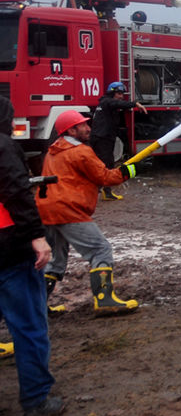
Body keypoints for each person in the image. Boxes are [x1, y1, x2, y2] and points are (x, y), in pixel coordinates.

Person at [0, 96, 65, 416]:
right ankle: (36, 403)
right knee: (28, 327)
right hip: (9, 251)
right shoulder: (3, 147)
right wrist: (37, 237)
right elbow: (16, 193)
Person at [38, 111, 139, 316]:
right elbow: (104, 177)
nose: (88, 128)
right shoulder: (80, 152)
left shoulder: (53, 151)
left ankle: (37, 307)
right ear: (71, 130)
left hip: (47, 211)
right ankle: (105, 300)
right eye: (83, 125)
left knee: (55, 261)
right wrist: (127, 171)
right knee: (100, 250)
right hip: (69, 210)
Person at [90, 81, 146, 201]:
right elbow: (117, 103)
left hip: (101, 138)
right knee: (108, 165)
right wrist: (135, 104)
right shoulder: (107, 102)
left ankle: (99, 190)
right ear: (112, 93)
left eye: (122, 94)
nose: (121, 96)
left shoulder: (104, 103)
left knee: (100, 165)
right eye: (119, 93)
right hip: (102, 139)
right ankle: (106, 192)